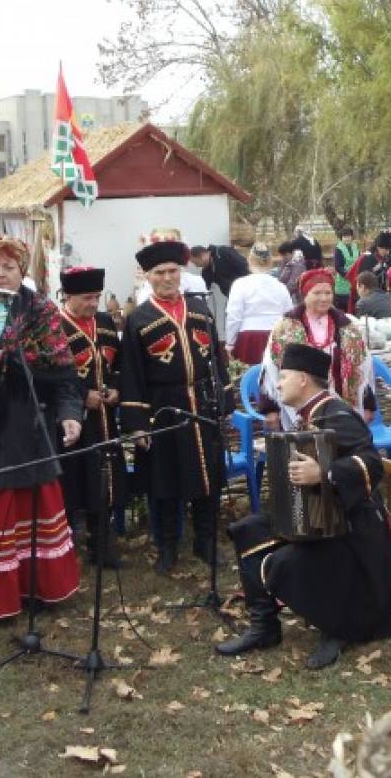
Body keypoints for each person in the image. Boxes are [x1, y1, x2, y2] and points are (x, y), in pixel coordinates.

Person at [215, 344, 391, 668]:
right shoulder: (309, 416)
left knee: (287, 561)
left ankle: (337, 628)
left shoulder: (336, 414)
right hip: (325, 521)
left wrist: (324, 474)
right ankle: (264, 627)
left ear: (304, 380)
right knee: (248, 530)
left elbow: (372, 464)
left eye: (283, 377)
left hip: (356, 532)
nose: (277, 385)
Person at [0, 235, 82, 620]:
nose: (0, 273)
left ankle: (40, 587)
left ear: (22, 271)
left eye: (8, 267)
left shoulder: (40, 311)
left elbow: (64, 372)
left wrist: (69, 412)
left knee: (31, 506)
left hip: (28, 423)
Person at [119, 239, 227, 574]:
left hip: (202, 403)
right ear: (147, 277)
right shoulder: (138, 319)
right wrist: (137, 422)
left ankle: (205, 541)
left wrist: (223, 399)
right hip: (162, 408)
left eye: (173, 271)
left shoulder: (199, 309)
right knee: (164, 480)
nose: (168, 278)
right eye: (160, 273)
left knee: (208, 475)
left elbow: (216, 361)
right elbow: (131, 375)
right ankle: (166, 546)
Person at [57, 266, 124, 568]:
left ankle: (102, 544)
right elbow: (51, 374)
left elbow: (120, 365)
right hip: (72, 421)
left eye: (97, 296)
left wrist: (115, 389)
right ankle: (68, 545)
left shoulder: (106, 323)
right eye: (86, 298)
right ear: (67, 296)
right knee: (74, 481)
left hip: (105, 421)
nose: (93, 304)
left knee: (104, 479)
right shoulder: (55, 327)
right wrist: (83, 395)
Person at [261, 268, 375, 429]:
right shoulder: (285, 327)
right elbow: (271, 367)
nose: (324, 298)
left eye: (328, 293)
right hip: (299, 407)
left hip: (341, 408)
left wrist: (368, 405)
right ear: (305, 294)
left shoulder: (348, 327)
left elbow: (364, 366)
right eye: (317, 293)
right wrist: (270, 408)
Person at [225, 246, 293, 365]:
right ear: (270, 261)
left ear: (249, 260)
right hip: (275, 335)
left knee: (249, 378)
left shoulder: (240, 284)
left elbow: (234, 316)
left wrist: (230, 343)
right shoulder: (280, 286)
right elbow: (289, 315)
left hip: (249, 337)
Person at [332, 227, 360, 311]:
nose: (347, 238)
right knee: (343, 308)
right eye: (344, 236)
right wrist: (349, 275)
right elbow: (338, 267)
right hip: (343, 283)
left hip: (355, 280)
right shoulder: (339, 249)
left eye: (348, 236)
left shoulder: (355, 246)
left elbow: (359, 261)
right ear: (341, 237)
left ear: (352, 237)